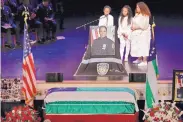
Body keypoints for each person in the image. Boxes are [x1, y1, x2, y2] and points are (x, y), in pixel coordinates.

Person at [130, 2, 151, 66]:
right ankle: (139, 59)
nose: (136, 8)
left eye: (138, 7)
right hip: (137, 33)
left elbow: (145, 26)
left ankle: (144, 61)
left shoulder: (145, 15)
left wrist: (136, 27)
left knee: (143, 46)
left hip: (143, 34)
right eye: (136, 7)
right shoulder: (137, 14)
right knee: (138, 46)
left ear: (142, 8)